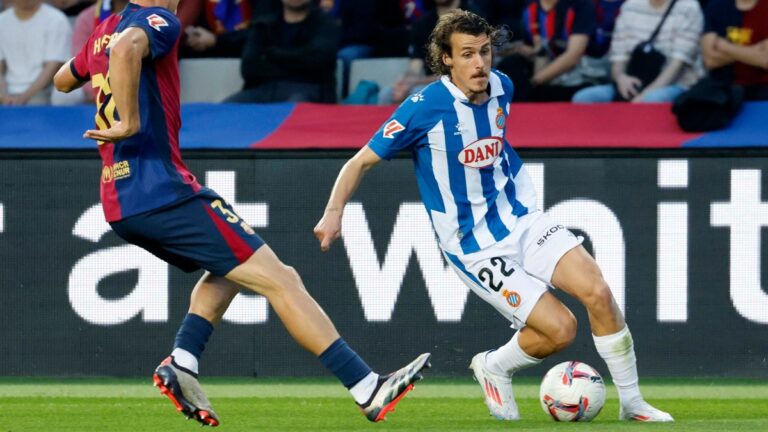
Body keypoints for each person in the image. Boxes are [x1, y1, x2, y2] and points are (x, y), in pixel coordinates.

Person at [52, 0, 430, 427]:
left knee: (230, 267)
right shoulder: (158, 21)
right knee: (283, 279)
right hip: (161, 188)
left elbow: (63, 79)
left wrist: (96, 69)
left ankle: (183, 360)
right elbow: (124, 51)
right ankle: (367, 388)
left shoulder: (104, 28)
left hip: (120, 196)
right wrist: (130, 122)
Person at [314, 9, 673, 423]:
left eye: (484, 51)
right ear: (446, 59)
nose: (480, 63)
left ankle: (632, 403)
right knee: (561, 330)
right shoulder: (421, 108)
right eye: (467, 54)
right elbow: (359, 163)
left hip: (521, 220)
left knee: (599, 293)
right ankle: (495, 366)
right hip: (473, 247)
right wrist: (333, 213)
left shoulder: (503, 86)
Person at [572, 0, 704, 103]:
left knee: (652, 100)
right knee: (583, 98)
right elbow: (619, 57)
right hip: (634, 81)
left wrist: (644, 95)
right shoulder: (630, 6)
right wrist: (621, 78)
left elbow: (677, 64)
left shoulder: (689, 7)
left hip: (676, 84)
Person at [223, 0, 340, 103]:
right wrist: (299, 64)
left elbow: (320, 61)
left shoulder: (325, 24)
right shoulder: (262, 25)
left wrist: (273, 55)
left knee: (294, 108)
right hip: (261, 90)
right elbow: (248, 68)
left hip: (307, 89)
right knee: (226, 108)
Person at [495, 0, 598, 101]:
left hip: (577, 76)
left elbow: (573, 56)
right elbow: (534, 48)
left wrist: (534, 82)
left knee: (530, 92)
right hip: (542, 67)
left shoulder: (581, 5)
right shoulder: (530, 9)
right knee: (509, 65)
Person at [0, 0, 70, 105]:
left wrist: (24, 97)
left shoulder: (56, 20)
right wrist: (3, 95)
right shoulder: (2, 21)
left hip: (43, 91)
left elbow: (52, 66)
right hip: (7, 90)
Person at [700, 0, 768, 100]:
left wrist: (723, 46)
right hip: (722, 90)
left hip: (763, 89)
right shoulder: (715, 7)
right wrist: (754, 52)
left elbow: (765, 59)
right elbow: (710, 60)